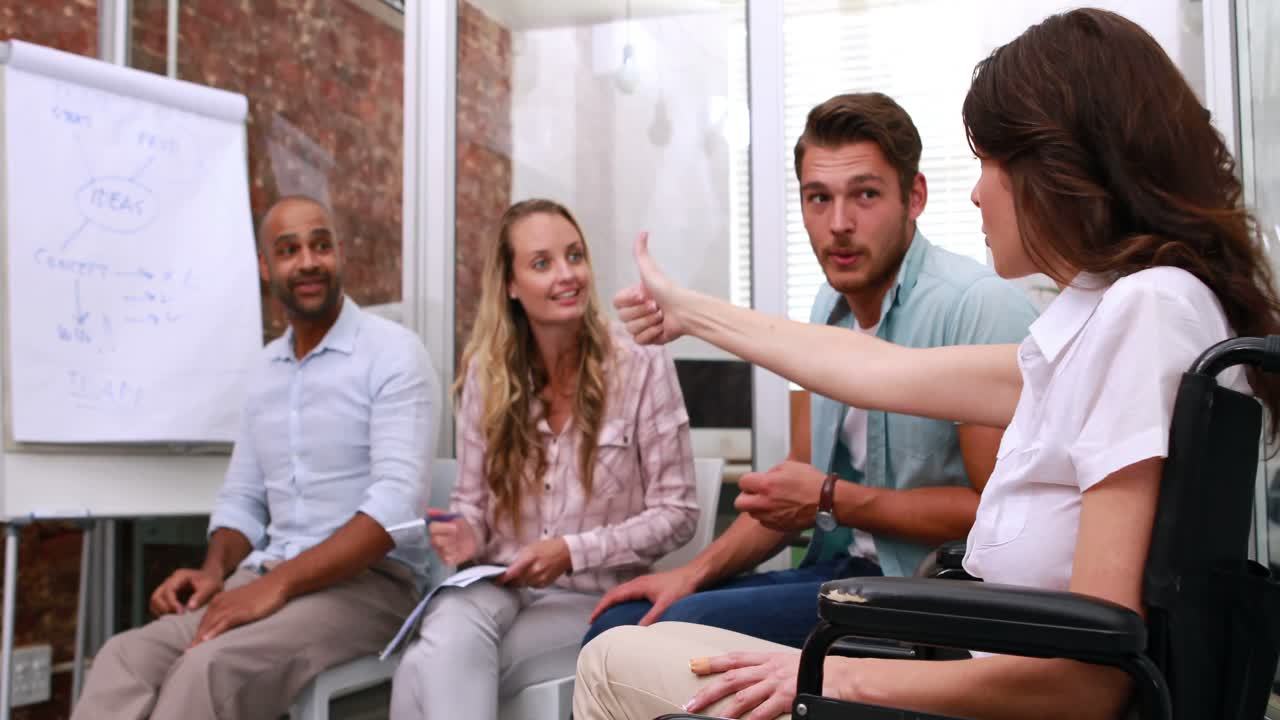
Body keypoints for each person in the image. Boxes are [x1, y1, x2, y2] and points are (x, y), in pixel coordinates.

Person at [574, 8, 1280, 720]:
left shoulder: (1146, 312)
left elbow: (1093, 675)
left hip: (966, 682)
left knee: (612, 660)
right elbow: (876, 371)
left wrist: (829, 680)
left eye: (989, 163)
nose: (975, 191)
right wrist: (691, 312)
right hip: (958, 660)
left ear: (1058, 165)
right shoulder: (1111, 323)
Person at [584, 92, 1037, 649]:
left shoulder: (975, 305)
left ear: (914, 196)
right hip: (841, 570)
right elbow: (796, 491)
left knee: (652, 641)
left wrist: (833, 498)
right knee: (628, 622)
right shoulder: (829, 305)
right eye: (817, 198)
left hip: (929, 597)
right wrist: (691, 573)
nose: (838, 223)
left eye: (865, 195)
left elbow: (996, 516)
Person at [72, 196, 441, 720]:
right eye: (289, 250)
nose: (308, 261)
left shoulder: (393, 354)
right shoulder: (265, 371)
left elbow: (395, 511)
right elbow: (243, 498)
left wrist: (276, 585)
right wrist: (214, 571)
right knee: (123, 658)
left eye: (320, 244)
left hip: (371, 588)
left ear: (339, 254)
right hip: (266, 577)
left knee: (207, 669)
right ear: (266, 268)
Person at [388, 199, 699, 720]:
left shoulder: (641, 362)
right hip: (502, 584)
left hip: (596, 598)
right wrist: (465, 534)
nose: (567, 275)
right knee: (447, 627)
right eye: (542, 263)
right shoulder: (487, 375)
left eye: (575, 256)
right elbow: (470, 505)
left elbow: (679, 513)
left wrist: (571, 550)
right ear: (510, 284)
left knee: (422, 667)